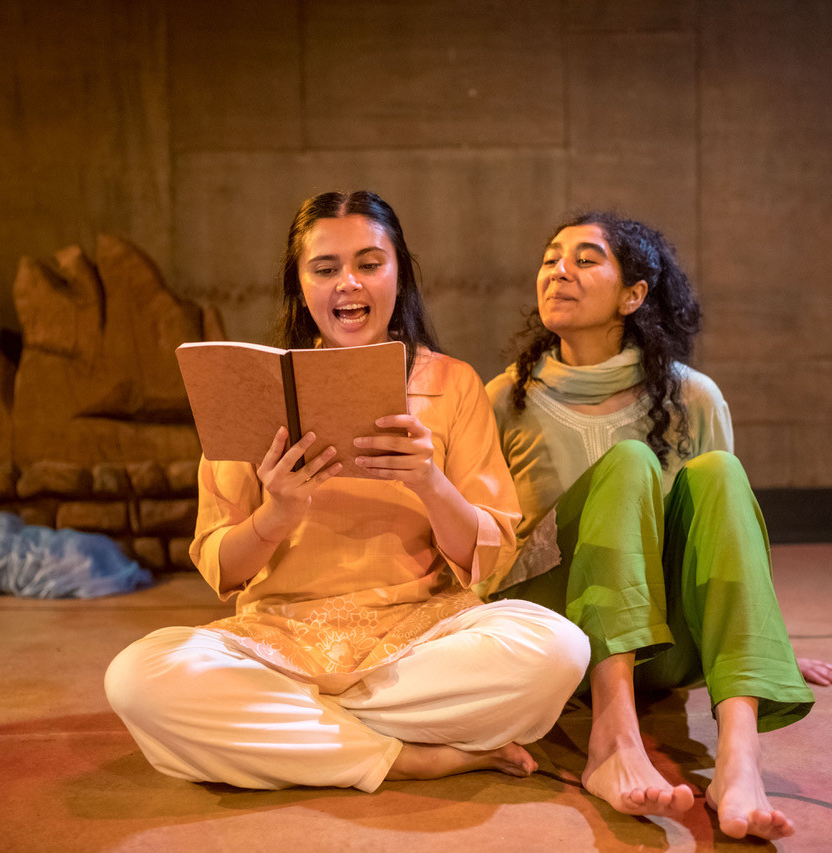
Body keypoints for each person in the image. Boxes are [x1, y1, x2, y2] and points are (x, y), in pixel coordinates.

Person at [105, 190, 590, 793]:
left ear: (398, 274)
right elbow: (221, 564)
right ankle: (405, 754)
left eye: (369, 263)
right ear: (300, 285)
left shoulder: (452, 382)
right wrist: (277, 512)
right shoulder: (250, 390)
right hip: (279, 641)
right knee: (137, 678)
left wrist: (428, 481)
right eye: (325, 268)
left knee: (559, 647)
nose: (348, 285)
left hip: (419, 639)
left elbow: (491, 553)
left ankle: (299, 736)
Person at [484, 212, 832, 840]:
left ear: (634, 294)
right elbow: (486, 548)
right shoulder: (501, 399)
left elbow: (727, 535)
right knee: (628, 463)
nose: (559, 271)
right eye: (550, 258)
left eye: (586, 259)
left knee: (721, 473)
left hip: (665, 645)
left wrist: (759, 636)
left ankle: (739, 757)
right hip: (556, 641)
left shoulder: (694, 396)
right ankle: (612, 739)